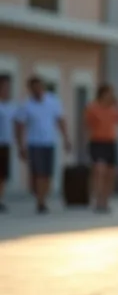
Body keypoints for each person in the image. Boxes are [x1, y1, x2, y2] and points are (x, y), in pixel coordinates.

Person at [14, 76, 70, 214]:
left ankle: (43, 197)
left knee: (47, 174)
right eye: (34, 88)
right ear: (30, 89)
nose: (37, 90)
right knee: (38, 172)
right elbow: (19, 126)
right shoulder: (26, 105)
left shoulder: (53, 101)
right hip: (34, 143)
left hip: (49, 142)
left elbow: (60, 120)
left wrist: (66, 139)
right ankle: (40, 201)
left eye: (39, 87)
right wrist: (21, 146)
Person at [84, 84, 118, 213]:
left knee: (110, 173)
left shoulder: (114, 109)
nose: (111, 96)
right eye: (109, 93)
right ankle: (97, 199)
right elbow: (87, 125)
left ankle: (105, 200)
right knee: (99, 170)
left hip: (111, 142)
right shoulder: (93, 108)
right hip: (97, 142)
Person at [0, 75, 15, 213]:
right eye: (4, 87)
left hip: (5, 144)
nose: (6, 90)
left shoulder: (11, 106)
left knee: (2, 174)